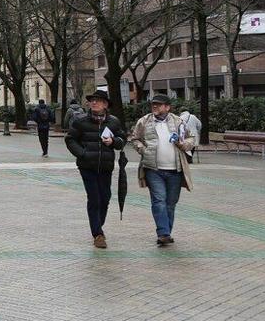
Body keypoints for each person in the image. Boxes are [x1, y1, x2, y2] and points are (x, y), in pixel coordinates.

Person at [129, 94, 195, 246]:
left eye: (159, 105)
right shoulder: (144, 121)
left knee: (171, 203)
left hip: (175, 170)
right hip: (153, 169)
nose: (155, 107)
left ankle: (167, 231)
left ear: (167, 107)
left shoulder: (178, 121)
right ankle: (163, 233)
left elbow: (191, 139)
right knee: (159, 200)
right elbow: (135, 138)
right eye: (153, 104)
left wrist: (182, 143)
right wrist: (142, 149)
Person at [66, 88, 127, 249]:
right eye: (92, 100)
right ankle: (98, 233)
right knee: (94, 198)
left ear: (105, 104)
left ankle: (98, 225)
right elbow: (70, 139)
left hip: (106, 166)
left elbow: (122, 139)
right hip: (87, 166)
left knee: (105, 198)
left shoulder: (113, 121)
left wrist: (113, 142)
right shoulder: (80, 121)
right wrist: (82, 153)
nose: (93, 102)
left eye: (98, 100)